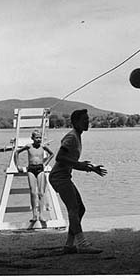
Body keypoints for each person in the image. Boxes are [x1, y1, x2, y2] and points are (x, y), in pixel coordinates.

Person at [49, 109, 107, 254]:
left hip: (64, 176)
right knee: (73, 209)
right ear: (75, 122)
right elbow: (60, 157)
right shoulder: (71, 137)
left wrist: (91, 168)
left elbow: (71, 162)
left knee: (80, 209)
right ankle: (82, 244)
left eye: (88, 119)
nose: (87, 122)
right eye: (84, 120)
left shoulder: (77, 136)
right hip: (59, 177)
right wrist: (79, 164)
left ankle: (69, 245)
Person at [14, 129, 54, 223]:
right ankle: (34, 215)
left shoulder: (43, 146)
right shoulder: (29, 146)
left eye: (40, 138)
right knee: (32, 192)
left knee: (41, 193)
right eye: (37, 138)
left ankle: (41, 215)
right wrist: (18, 165)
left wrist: (45, 163)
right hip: (31, 169)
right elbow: (16, 152)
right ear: (32, 138)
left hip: (40, 169)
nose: (39, 139)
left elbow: (52, 154)